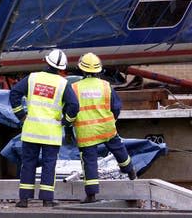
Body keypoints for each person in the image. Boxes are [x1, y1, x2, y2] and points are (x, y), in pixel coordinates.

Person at [9, 49, 79, 208]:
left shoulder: (32, 78)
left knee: (28, 164)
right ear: (61, 68)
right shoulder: (63, 83)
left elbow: (14, 93)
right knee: (49, 165)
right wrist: (66, 121)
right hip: (51, 133)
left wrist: (21, 115)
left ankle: (24, 200)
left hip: (31, 131)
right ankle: (47, 199)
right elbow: (74, 105)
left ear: (46, 62)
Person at [71, 52, 137, 203]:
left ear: (81, 69)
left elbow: (71, 109)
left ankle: (92, 195)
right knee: (119, 151)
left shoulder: (74, 88)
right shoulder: (107, 86)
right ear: (99, 70)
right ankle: (131, 172)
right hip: (107, 128)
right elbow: (116, 107)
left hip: (86, 131)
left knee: (89, 162)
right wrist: (110, 120)